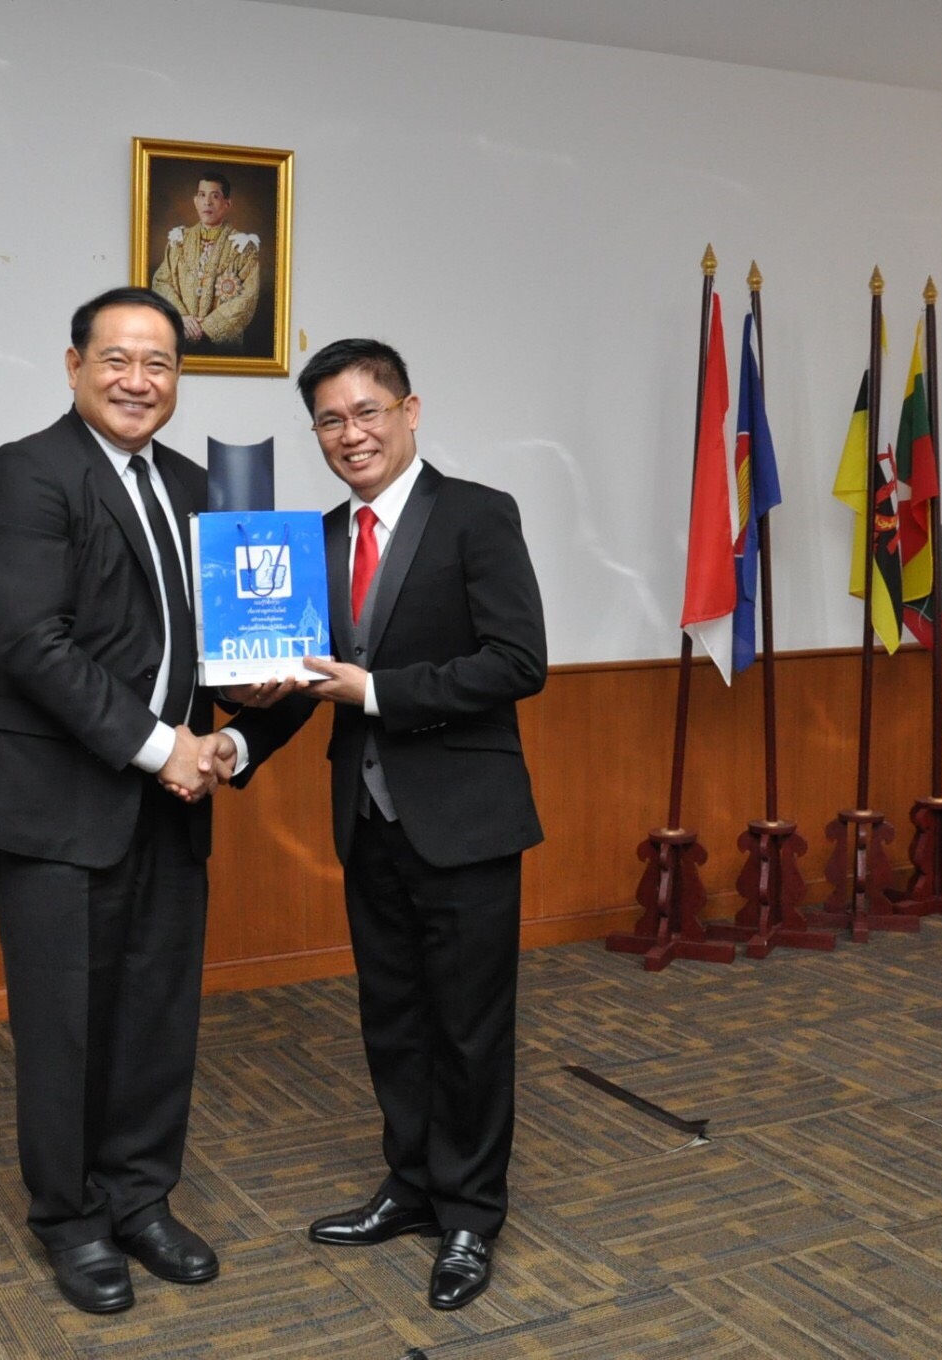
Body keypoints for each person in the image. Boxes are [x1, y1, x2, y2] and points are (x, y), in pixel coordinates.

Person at [220, 338, 546, 1311]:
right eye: (329, 419)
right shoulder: (314, 540)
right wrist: (235, 740)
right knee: (393, 1019)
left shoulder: (478, 515)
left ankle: (469, 1214)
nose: (349, 434)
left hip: (466, 820)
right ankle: (410, 1184)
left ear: (410, 411)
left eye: (367, 411)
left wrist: (379, 691)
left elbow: (516, 662)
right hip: (365, 819)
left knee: (469, 1029)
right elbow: (302, 682)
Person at [0, 286, 241, 1315]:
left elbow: (223, 638)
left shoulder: (200, 487)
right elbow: (33, 644)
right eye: (116, 359)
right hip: (57, 804)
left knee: (157, 1014)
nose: (137, 381)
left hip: (174, 802)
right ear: (74, 366)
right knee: (66, 1024)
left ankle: (140, 1198)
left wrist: (250, 701)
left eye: (158, 363)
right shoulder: (29, 472)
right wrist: (163, 748)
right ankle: (70, 1219)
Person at [149, 170, 261, 351]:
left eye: (215, 196)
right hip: (180, 342)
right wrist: (182, 318)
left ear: (227, 203)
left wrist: (205, 328)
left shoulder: (242, 247)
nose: (207, 202)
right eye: (202, 195)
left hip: (222, 350)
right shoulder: (179, 241)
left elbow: (247, 299)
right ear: (195, 201)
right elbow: (161, 282)